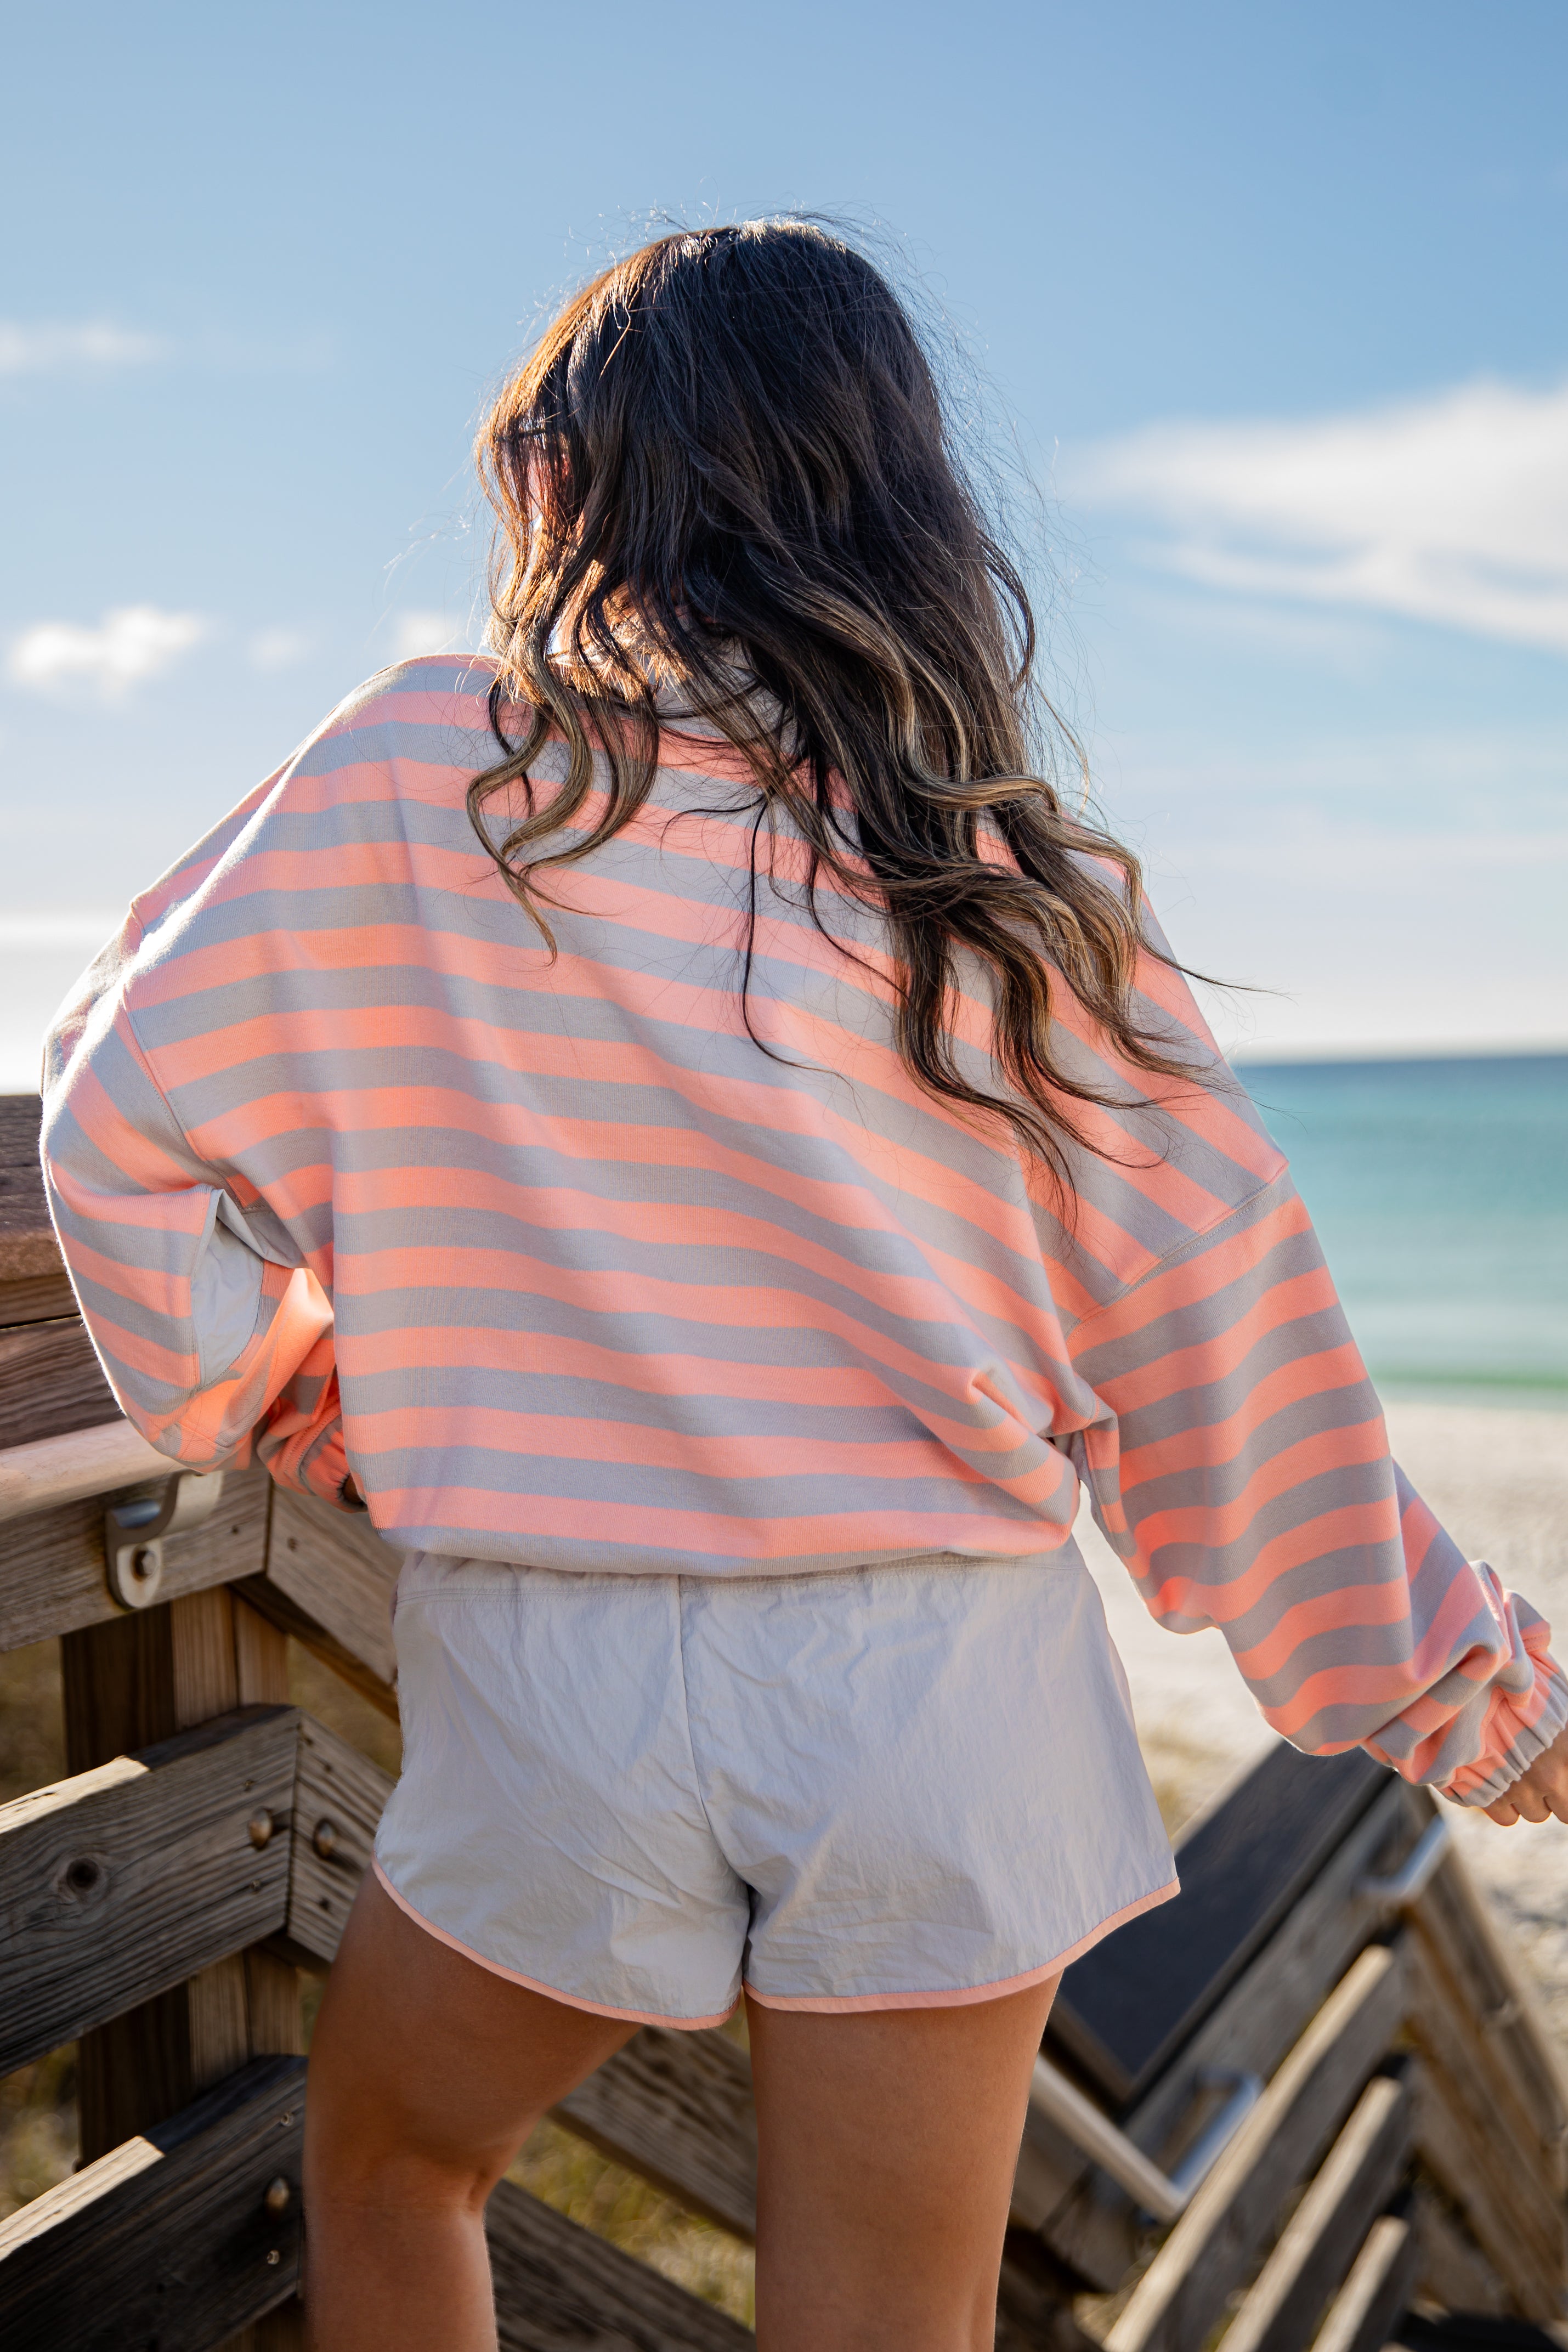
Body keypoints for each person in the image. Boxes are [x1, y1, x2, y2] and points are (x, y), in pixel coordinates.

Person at [39, 220, 1568, 2352]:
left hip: (562, 1679)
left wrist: (278, 1385)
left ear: (573, 476)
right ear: (903, 497)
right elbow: (1229, 1384)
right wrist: (1496, 1710)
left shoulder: (431, 774)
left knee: (395, 2166)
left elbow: (114, 1121)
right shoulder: (1017, 892)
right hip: (947, 1684)